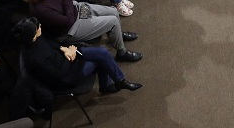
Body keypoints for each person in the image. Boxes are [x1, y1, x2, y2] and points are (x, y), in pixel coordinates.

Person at [19, 0, 142, 62]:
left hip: (76, 10)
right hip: (71, 29)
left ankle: (117, 35)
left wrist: (67, 6)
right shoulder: (41, 10)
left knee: (114, 11)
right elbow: (67, 21)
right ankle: (122, 52)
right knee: (113, 21)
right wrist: (67, 5)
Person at [11, 17, 141, 96]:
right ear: (32, 35)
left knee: (103, 52)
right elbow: (58, 75)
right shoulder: (34, 58)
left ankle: (119, 81)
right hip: (66, 76)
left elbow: (50, 42)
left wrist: (63, 48)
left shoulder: (34, 39)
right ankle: (108, 86)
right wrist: (71, 55)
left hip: (66, 57)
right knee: (100, 59)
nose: (40, 26)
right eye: (37, 27)